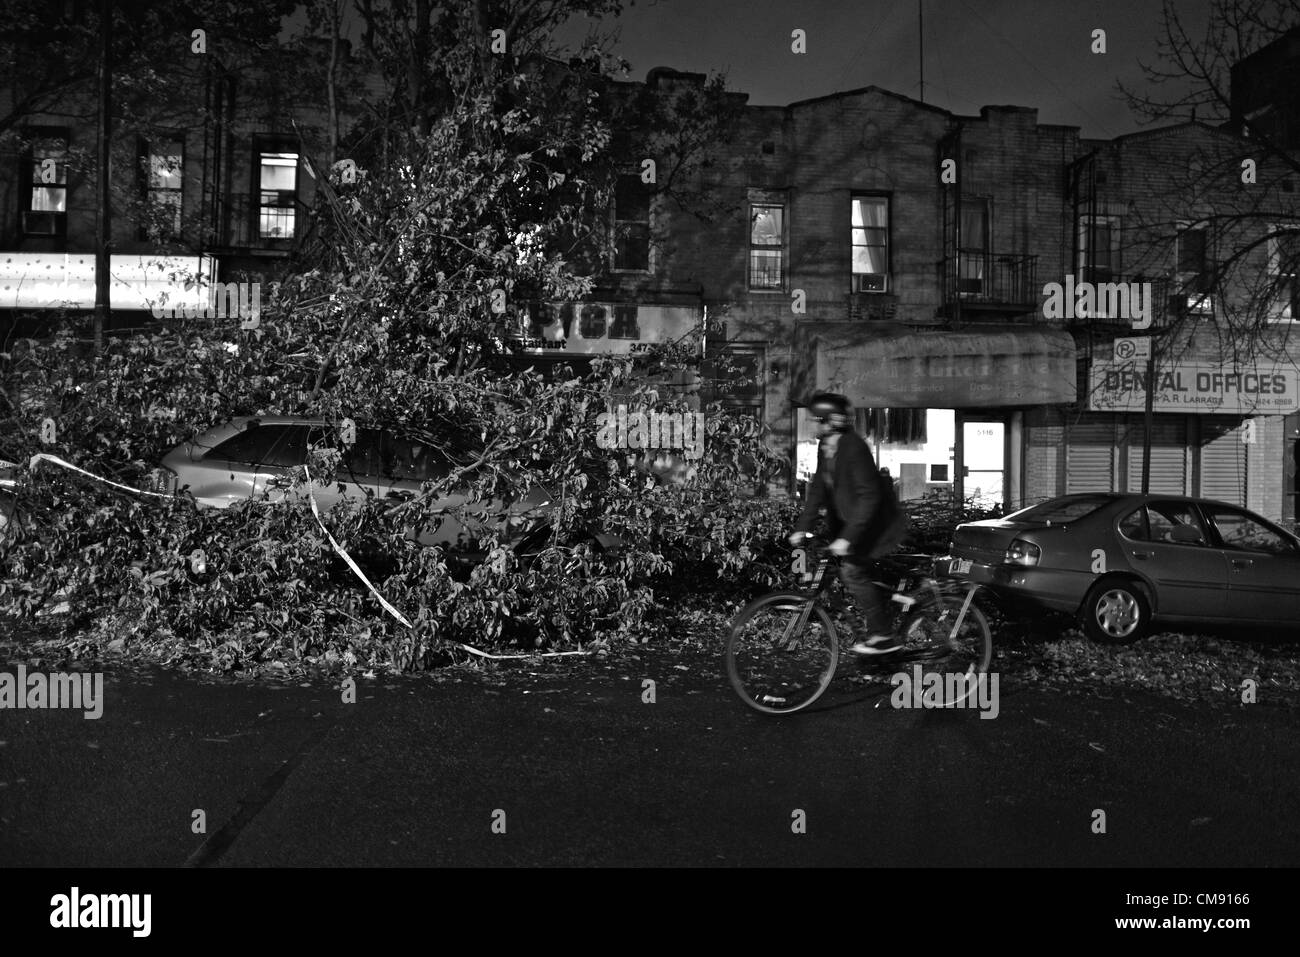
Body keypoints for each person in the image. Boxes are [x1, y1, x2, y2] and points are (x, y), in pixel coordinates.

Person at [789, 392, 909, 655]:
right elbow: (818, 491)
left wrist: (847, 538)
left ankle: (882, 636)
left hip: (875, 525)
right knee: (844, 572)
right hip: (851, 525)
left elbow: (870, 496)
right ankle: (887, 609)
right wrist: (801, 528)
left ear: (830, 421)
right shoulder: (826, 447)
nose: (811, 425)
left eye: (815, 420)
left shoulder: (854, 447)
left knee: (851, 573)